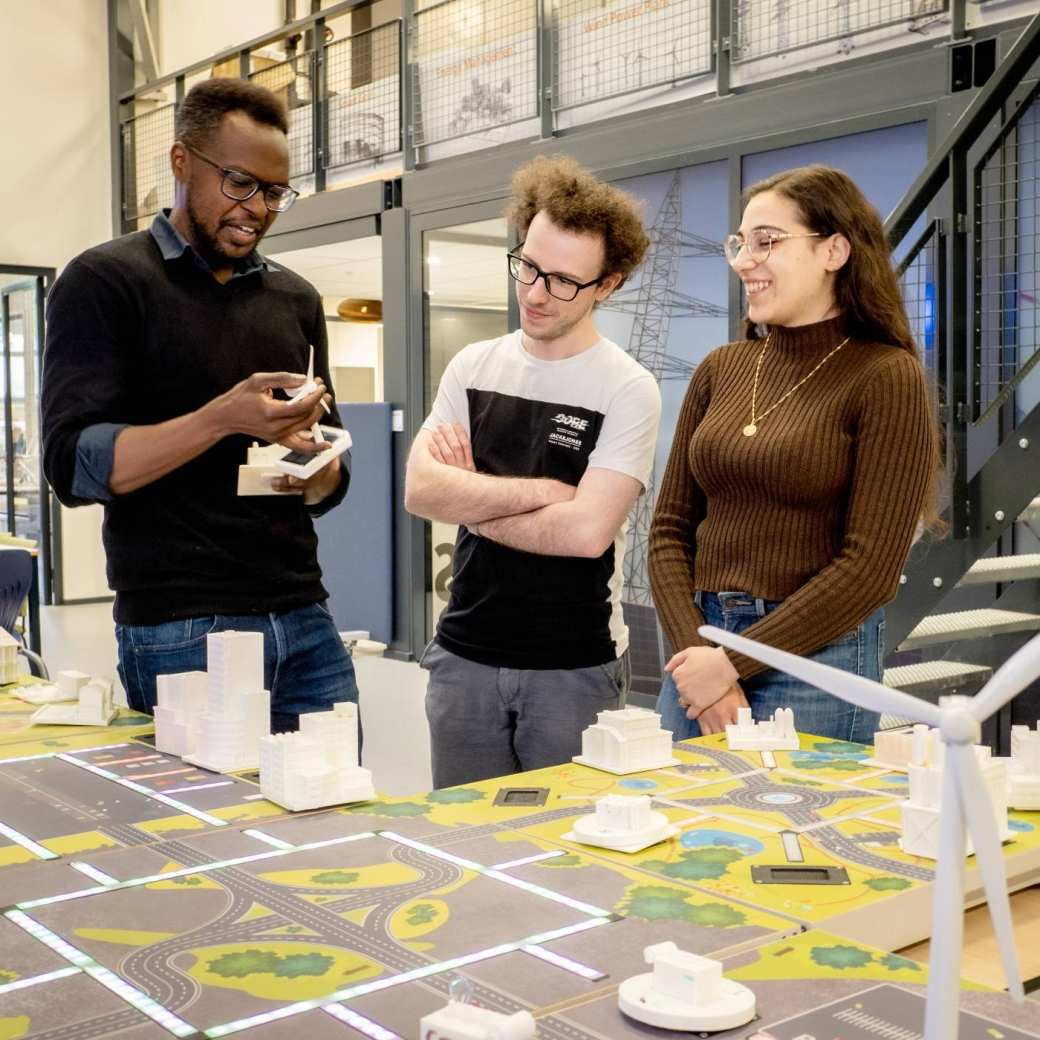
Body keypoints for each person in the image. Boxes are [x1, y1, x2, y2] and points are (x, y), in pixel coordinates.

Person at [41, 78, 357, 735]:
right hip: (179, 627)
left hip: (305, 615)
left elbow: (328, 482)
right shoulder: (105, 282)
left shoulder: (294, 299)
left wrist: (315, 456)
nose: (259, 209)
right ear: (182, 162)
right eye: (241, 183)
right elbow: (73, 466)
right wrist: (223, 419)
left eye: (275, 192)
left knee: (338, 823)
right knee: (212, 835)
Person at [649, 164, 939, 744]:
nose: (743, 261)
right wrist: (698, 652)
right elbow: (669, 531)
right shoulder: (721, 368)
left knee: (797, 831)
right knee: (687, 828)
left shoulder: (885, 375)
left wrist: (732, 663)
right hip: (701, 643)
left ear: (834, 250)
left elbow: (869, 569)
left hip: (818, 657)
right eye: (740, 243)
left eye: (767, 242)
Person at [405, 155, 662, 787]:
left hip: (572, 668)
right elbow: (420, 490)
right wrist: (540, 495)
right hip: (463, 655)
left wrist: (471, 500)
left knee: (567, 856)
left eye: (565, 281)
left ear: (609, 284)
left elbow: (584, 536)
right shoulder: (472, 365)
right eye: (528, 266)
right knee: (466, 849)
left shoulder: (628, 388)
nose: (536, 293)